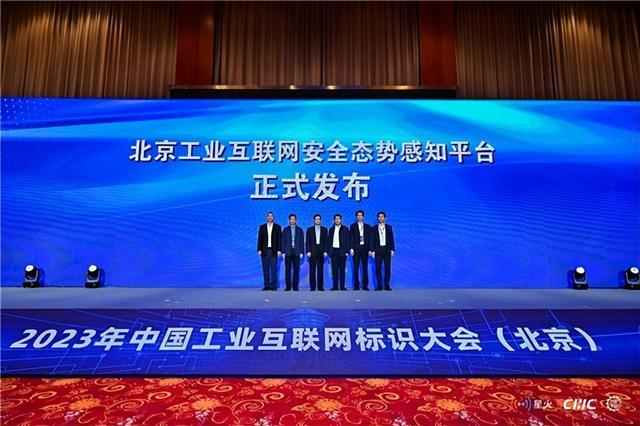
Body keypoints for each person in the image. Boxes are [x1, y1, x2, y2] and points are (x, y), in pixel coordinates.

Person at [370, 211, 395, 291]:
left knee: (387, 269)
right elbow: (372, 240)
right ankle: (379, 285)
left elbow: (391, 239)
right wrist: (372, 250)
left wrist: (392, 249)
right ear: (377, 218)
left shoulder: (389, 227)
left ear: (385, 218)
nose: (380, 218)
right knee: (378, 269)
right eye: (379, 217)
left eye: (382, 217)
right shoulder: (373, 228)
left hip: (387, 250)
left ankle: (387, 285)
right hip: (378, 250)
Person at [256, 212, 281, 291]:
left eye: (271, 216)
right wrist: (259, 249)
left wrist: (279, 250)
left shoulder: (277, 227)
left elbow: (279, 239)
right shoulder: (262, 227)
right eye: (269, 216)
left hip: (274, 250)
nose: (270, 217)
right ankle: (266, 285)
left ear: (273, 218)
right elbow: (259, 239)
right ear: (266, 217)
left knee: (273, 269)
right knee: (265, 269)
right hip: (264, 250)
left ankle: (273, 286)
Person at [326, 213, 350, 291]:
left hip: (342, 251)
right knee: (334, 270)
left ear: (341, 220)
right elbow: (329, 241)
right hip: (334, 252)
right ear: (334, 220)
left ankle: (342, 286)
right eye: (336, 219)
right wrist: (329, 252)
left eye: (338, 219)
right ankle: (335, 286)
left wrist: (347, 251)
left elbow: (348, 241)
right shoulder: (331, 229)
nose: (337, 220)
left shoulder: (345, 229)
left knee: (342, 270)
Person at [281, 213, 304, 291]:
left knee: (296, 270)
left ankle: (295, 287)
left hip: (296, 252)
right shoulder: (285, 230)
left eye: (294, 219)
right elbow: (283, 241)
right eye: (291, 219)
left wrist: (301, 252)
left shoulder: (300, 230)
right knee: (287, 270)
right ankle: (288, 286)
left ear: (296, 220)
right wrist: (283, 252)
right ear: (289, 220)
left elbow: (301, 242)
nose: (292, 220)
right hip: (288, 252)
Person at [349, 210, 372, 291]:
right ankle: (356, 286)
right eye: (358, 215)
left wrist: (370, 249)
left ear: (363, 216)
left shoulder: (368, 227)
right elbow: (351, 238)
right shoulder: (353, 226)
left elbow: (370, 239)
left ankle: (365, 285)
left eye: (361, 215)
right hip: (356, 250)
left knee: (365, 268)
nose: (359, 216)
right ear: (356, 217)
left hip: (365, 250)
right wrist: (351, 248)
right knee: (355, 268)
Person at [306, 214, 328, 291]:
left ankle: (320, 287)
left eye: (319, 219)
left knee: (320, 270)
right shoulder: (309, 229)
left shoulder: (325, 229)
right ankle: (312, 287)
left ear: (320, 220)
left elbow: (326, 241)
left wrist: (325, 251)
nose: (317, 220)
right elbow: (307, 241)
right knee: (312, 270)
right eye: (316, 219)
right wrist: (308, 251)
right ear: (314, 220)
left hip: (321, 252)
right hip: (312, 251)